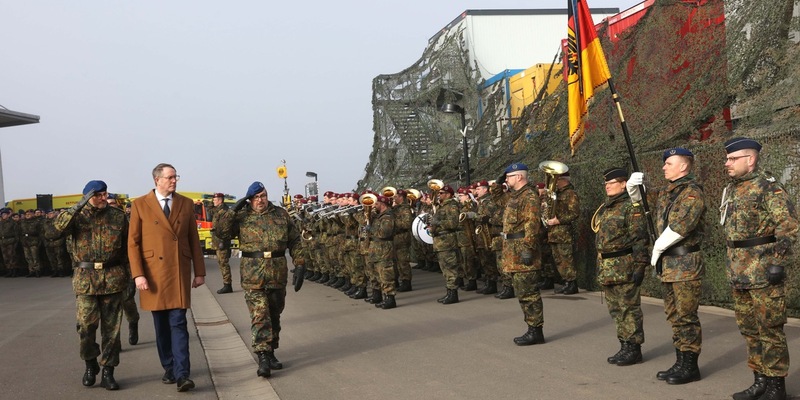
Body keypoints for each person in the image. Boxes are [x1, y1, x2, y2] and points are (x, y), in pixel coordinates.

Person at [720, 138, 798, 400]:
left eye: (732, 159)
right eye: (727, 159)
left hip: (763, 271)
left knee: (770, 329)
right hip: (740, 272)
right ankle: (760, 380)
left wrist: (778, 261)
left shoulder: (768, 187)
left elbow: (787, 225)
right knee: (749, 330)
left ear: (750, 160)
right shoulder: (733, 189)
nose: (727, 163)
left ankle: (777, 387)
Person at [627, 147, 706, 385]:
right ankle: (680, 361)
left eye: (668, 163)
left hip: (685, 264)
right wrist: (633, 188)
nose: (664, 167)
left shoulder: (692, 193)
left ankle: (691, 365)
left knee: (686, 316)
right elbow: (641, 203)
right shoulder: (667, 192)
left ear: (683, 166)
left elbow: (681, 226)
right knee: (673, 315)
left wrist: (658, 248)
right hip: (669, 265)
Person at [128, 163, 206, 392]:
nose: (174, 181)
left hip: (178, 271)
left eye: (176, 177)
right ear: (157, 180)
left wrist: (199, 272)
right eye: (170, 177)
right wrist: (138, 274)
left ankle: (183, 374)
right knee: (161, 326)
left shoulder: (185, 203)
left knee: (178, 323)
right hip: (152, 274)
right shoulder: (140, 205)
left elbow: (193, 239)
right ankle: (169, 367)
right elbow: (133, 244)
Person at [214, 181, 306, 378]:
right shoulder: (241, 216)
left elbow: (295, 240)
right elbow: (221, 232)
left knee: (274, 314)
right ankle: (262, 356)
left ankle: (271, 351)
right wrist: (232, 210)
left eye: (263, 196)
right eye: (256, 197)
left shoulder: (280, 214)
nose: (260, 200)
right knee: (260, 314)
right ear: (250, 199)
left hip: (277, 272)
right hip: (252, 274)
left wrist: (300, 264)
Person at [55, 180, 129, 390]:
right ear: (87, 196)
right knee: (86, 328)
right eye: (98, 195)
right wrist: (79, 205)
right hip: (85, 280)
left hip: (113, 278)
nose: (103, 198)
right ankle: (90, 363)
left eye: (105, 194)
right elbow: (55, 230)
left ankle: (108, 371)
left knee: (112, 331)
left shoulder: (118, 216)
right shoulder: (75, 217)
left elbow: (127, 250)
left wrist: (130, 277)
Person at [592, 168, 649, 366]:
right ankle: (624, 345)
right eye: (606, 183)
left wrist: (640, 265)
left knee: (629, 309)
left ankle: (634, 348)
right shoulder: (607, 207)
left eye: (612, 182)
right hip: (607, 267)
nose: (607, 185)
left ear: (624, 184)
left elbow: (640, 238)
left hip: (624, 266)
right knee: (616, 310)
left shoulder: (630, 207)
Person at [499, 163, 545, 345]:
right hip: (512, 251)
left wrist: (528, 248)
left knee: (529, 293)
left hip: (522, 250)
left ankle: (536, 330)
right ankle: (531, 327)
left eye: (509, 177)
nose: (506, 180)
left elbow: (532, 224)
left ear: (519, 177)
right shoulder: (514, 196)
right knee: (522, 292)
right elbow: (497, 197)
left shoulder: (529, 196)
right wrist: (498, 182)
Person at [545, 172, 580, 295]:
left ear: (564, 180)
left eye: (558, 179)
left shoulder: (570, 194)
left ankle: (572, 283)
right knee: (558, 259)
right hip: (554, 233)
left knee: (566, 259)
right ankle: (566, 282)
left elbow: (574, 213)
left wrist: (558, 220)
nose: (556, 182)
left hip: (563, 233)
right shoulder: (556, 194)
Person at [430, 185, 461, 304]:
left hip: (447, 241)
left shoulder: (452, 206)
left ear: (448, 194)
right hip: (440, 241)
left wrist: (438, 222)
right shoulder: (441, 206)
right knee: (445, 268)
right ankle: (449, 292)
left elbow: (453, 223)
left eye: (442, 193)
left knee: (450, 268)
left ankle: (453, 294)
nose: (439, 195)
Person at [370, 195, 398, 309]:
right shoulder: (379, 216)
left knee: (386, 274)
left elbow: (384, 233)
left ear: (382, 204)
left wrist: (370, 228)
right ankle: (383, 297)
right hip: (377, 249)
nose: (374, 206)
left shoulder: (387, 217)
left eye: (376, 204)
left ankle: (390, 299)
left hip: (384, 249)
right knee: (378, 274)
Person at [210, 193, 233, 294]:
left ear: (220, 200)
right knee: (221, 263)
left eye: (215, 200)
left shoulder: (224, 211)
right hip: (218, 241)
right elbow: (209, 210)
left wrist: (222, 241)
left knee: (223, 263)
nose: (213, 201)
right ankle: (226, 284)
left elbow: (224, 228)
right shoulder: (217, 210)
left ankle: (227, 285)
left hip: (222, 241)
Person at [19, 208, 43, 277]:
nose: (27, 215)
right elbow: (20, 232)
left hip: (33, 241)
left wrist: (39, 241)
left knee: (35, 257)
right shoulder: (23, 222)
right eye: (26, 214)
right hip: (25, 241)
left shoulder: (36, 222)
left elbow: (40, 232)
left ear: (32, 214)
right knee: (28, 257)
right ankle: (31, 270)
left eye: (29, 214)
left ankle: (37, 270)